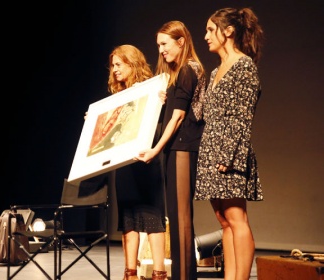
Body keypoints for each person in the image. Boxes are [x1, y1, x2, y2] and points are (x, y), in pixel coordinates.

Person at [194, 7, 264, 280]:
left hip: (229, 153)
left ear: (228, 31)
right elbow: (202, 113)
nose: (206, 36)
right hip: (211, 151)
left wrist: (228, 156)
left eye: (211, 30)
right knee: (224, 221)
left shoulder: (243, 66)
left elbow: (243, 117)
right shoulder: (214, 72)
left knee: (237, 219)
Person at [136, 21, 206, 280]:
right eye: (158, 45)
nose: (161, 50)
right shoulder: (179, 72)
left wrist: (155, 150)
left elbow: (178, 117)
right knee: (176, 219)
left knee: (181, 219)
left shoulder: (189, 69)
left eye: (165, 44)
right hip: (176, 150)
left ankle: (184, 277)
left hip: (182, 149)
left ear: (181, 41)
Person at [104, 44, 168, 280]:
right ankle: (130, 272)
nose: (115, 70)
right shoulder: (117, 97)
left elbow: (160, 123)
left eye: (119, 64)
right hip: (125, 165)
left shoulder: (153, 89)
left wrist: (160, 101)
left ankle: (159, 273)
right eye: (113, 65)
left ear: (132, 64)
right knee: (128, 219)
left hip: (148, 162)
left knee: (153, 217)